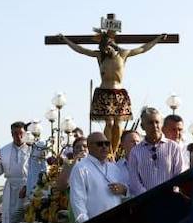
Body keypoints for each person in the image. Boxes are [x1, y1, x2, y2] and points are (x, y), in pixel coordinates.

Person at [53, 19, 168, 156]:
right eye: (103, 48)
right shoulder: (100, 56)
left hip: (119, 93)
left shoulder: (123, 54)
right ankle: (108, 151)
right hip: (104, 92)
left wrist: (157, 39)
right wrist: (66, 41)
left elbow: (142, 49)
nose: (105, 50)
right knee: (109, 122)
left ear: (112, 44)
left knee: (118, 124)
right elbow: (81, 50)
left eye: (107, 46)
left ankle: (113, 150)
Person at [68, 131, 130, 223]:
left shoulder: (114, 167)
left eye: (107, 143)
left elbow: (127, 194)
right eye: (100, 144)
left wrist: (124, 190)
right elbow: (78, 200)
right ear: (89, 146)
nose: (104, 146)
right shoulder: (80, 168)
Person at [126, 108, 189, 196]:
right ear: (142, 126)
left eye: (157, 122)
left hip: (171, 200)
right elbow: (134, 182)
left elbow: (179, 174)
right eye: (150, 123)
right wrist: (149, 197)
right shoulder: (135, 152)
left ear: (161, 124)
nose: (154, 126)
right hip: (146, 203)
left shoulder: (173, 147)